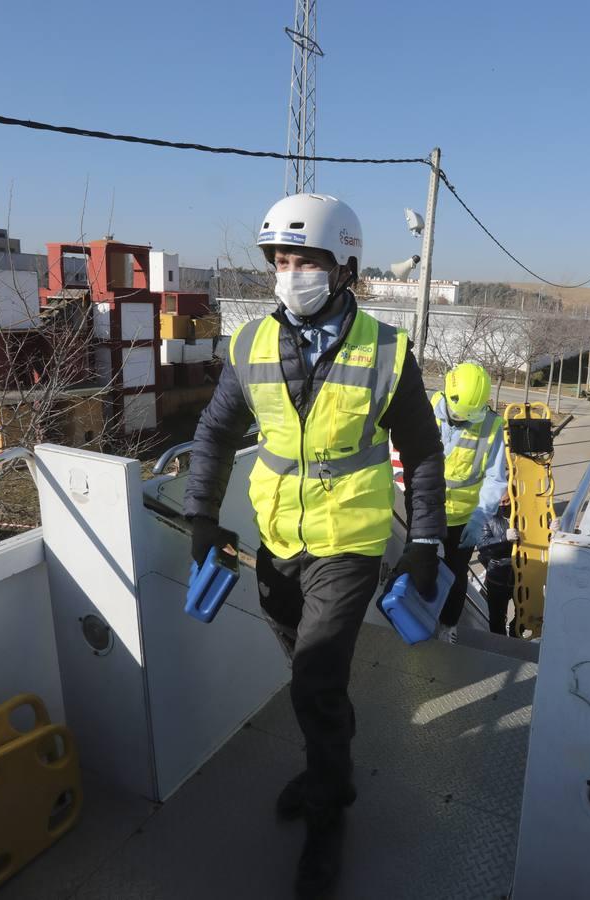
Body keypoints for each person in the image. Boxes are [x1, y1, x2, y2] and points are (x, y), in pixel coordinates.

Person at [185, 193, 447, 897]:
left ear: (344, 268)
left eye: (303, 260)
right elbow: (213, 435)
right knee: (311, 681)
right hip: (276, 540)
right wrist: (201, 516)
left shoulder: (386, 352)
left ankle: (329, 816)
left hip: (350, 544)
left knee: (316, 676)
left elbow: (421, 450)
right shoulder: (250, 346)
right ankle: (326, 766)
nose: (288, 273)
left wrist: (424, 539)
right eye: (279, 260)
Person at [430, 361, 508, 643]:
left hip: (463, 518)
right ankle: (416, 619)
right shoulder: (429, 410)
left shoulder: (490, 425)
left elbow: (496, 479)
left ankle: (447, 627)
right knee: (420, 566)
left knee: (455, 574)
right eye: (459, 417)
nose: (463, 422)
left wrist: (478, 519)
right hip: (427, 509)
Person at [476, 497, 518, 635]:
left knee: (523, 616)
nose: (502, 505)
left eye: (506, 501)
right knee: (496, 619)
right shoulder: (486, 516)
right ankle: (500, 643)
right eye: (499, 500)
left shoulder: (524, 513)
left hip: (522, 576)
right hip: (498, 577)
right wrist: (503, 538)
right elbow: (483, 546)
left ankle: (515, 637)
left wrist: (552, 529)